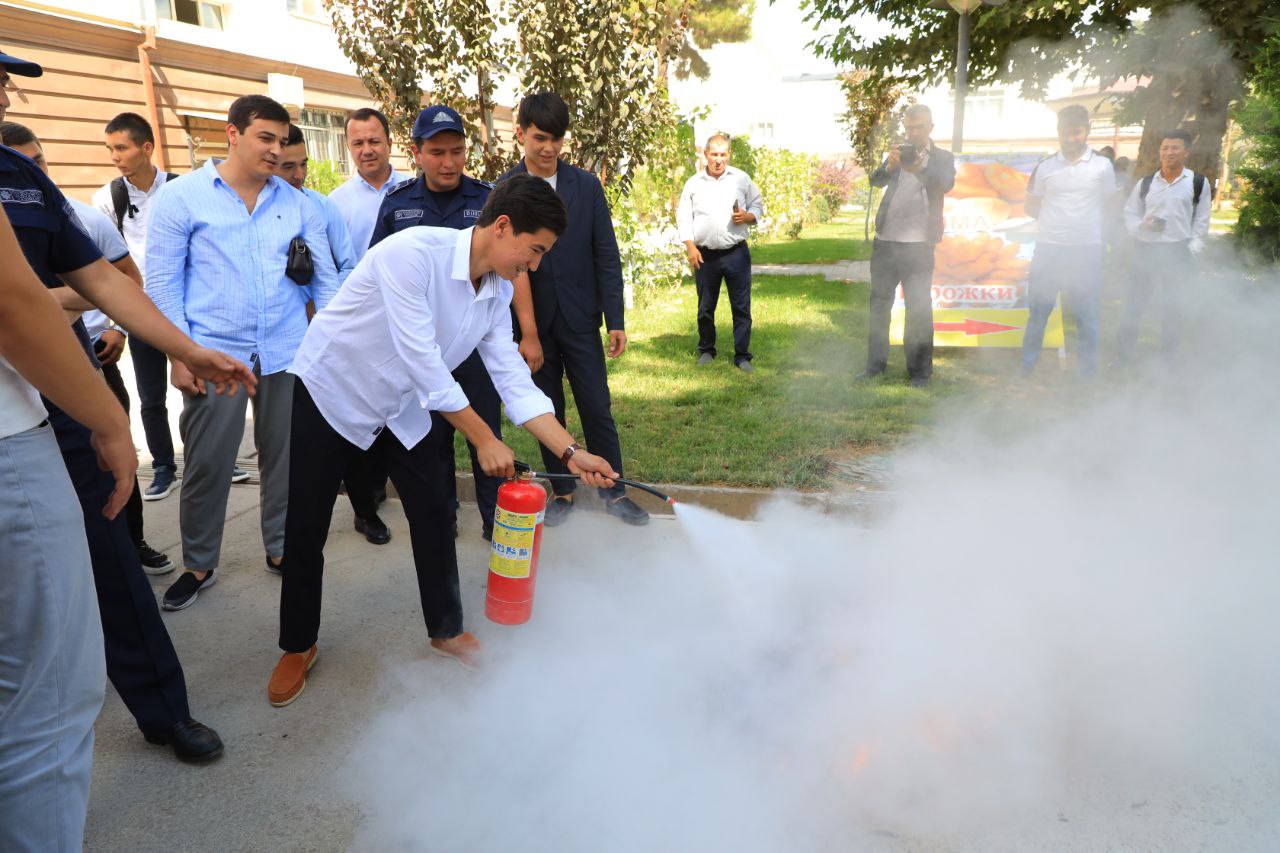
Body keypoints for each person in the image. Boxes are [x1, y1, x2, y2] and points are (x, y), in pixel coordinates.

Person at [268, 175, 619, 705]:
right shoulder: (410, 254)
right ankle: (297, 644)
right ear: (503, 227)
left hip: (404, 405)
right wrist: (483, 438)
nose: (537, 265)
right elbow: (424, 361)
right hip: (334, 392)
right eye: (536, 249)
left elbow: (512, 379)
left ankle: (446, 630)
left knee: (433, 512)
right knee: (307, 522)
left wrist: (571, 452)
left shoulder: (497, 289)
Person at [2, 47, 254, 767]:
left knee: (110, 558)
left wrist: (186, 348)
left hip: (62, 402)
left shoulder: (22, 181)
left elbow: (110, 283)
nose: (7, 99)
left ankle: (163, 712)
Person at [146, 94, 341, 610]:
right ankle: (198, 562)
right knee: (209, 463)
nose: (276, 151)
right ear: (232, 134)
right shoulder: (183, 197)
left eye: (283, 140)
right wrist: (181, 354)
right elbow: (162, 284)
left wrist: (338, 345)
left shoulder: (298, 203)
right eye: (266, 138)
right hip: (214, 356)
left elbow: (327, 279)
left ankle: (279, 549)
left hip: (285, 351)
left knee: (285, 460)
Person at [1, 120, 172, 573]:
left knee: (111, 457)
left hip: (89, 350)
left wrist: (115, 325)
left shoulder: (81, 215)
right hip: (24, 380)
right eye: (22, 164)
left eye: (38, 161)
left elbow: (118, 281)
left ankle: (129, 544)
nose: (32, 172)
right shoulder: (99, 201)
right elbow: (17, 310)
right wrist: (39, 305)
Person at [0, 206, 114, 853]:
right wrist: (108, 419)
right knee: (48, 708)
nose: (7, 95)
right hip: (9, 443)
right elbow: (14, 302)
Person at [499, 92, 648, 527]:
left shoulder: (586, 186)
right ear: (521, 134)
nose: (548, 148)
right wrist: (523, 332)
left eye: (556, 139)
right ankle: (563, 491)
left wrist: (615, 319)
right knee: (548, 409)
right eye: (540, 137)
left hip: (581, 319)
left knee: (596, 406)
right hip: (532, 327)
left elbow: (606, 253)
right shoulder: (507, 189)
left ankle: (616, 492)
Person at [369, 105, 503, 541]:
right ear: (416, 153)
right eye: (438, 152)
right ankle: (441, 523)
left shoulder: (488, 200)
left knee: (485, 431)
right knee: (432, 442)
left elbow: (505, 277)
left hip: (472, 344)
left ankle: (495, 521)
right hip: (421, 348)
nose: (449, 163)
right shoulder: (398, 204)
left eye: (458, 151)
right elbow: (375, 273)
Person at [274, 124, 390, 545]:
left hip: (330, 337)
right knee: (291, 441)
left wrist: (324, 310)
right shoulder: (250, 212)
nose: (299, 174)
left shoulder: (323, 208)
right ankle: (288, 534)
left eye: (303, 164)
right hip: (278, 345)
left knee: (349, 427)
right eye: (289, 166)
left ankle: (365, 510)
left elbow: (347, 265)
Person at [90, 112, 182, 500]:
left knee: (199, 387)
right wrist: (119, 322)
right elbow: (105, 269)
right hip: (139, 311)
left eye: (122, 148)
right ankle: (163, 465)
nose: (115, 156)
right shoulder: (107, 198)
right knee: (150, 396)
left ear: (147, 148)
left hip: (181, 309)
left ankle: (215, 460)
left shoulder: (181, 189)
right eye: (110, 149)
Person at [861, 104, 956, 388]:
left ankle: (919, 373)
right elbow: (874, 182)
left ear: (930, 128)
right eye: (909, 127)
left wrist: (919, 167)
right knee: (878, 305)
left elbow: (944, 185)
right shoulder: (897, 153)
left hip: (919, 245)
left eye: (919, 127)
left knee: (918, 309)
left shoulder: (942, 158)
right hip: (887, 241)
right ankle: (874, 367)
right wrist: (889, 165)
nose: (913, 133)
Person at [1020, 105, 1117, 378]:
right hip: (1049, 250)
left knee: (1087, 314)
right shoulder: (1046, 167)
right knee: (1038, 311)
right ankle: (1027, 368)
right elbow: (1031, 205)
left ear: (1087, 131)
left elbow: (1110, 205)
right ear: (1058, 133)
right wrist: (1057, 225)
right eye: (1065, 133)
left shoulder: (1102, 166)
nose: (1071, 138)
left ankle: (1087, 373)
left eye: (1076, 132)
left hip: (1087, 250)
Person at [1116, 128, 1212, 363]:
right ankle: (1123, 357)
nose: (1169, 153)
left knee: (1173, 308)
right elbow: (1129, 213)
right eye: (1165, 148)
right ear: (1160, 151)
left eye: (1175, 148)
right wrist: (1142, 226)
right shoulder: (1146, 183)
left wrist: (1191, 249)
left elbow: (1202, 222)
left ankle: (1167, 359)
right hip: (1146, 250)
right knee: (1134, 305)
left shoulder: (1198, 182)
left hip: (1178, 251)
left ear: (1186, 152)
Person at [677, 133, 764, 371]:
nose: (718, 160)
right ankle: (706, 350)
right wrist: (690, 247)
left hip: (736, 253)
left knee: (741, 307)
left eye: (723, 154)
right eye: (714, 154)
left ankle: (743, 356)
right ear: (705, 155)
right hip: (705, 255)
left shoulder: (741, 179)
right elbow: (683, 216)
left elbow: (758, 203)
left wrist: (749, 216)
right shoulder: (693, 183)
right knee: (705, 306)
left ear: (729, 155)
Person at [327, 107, 409, 258]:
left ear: (389, 144)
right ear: (349, 148)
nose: (367, 151)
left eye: (374, 141)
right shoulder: (335, 202)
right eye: (358, 143)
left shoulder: (413, 189)